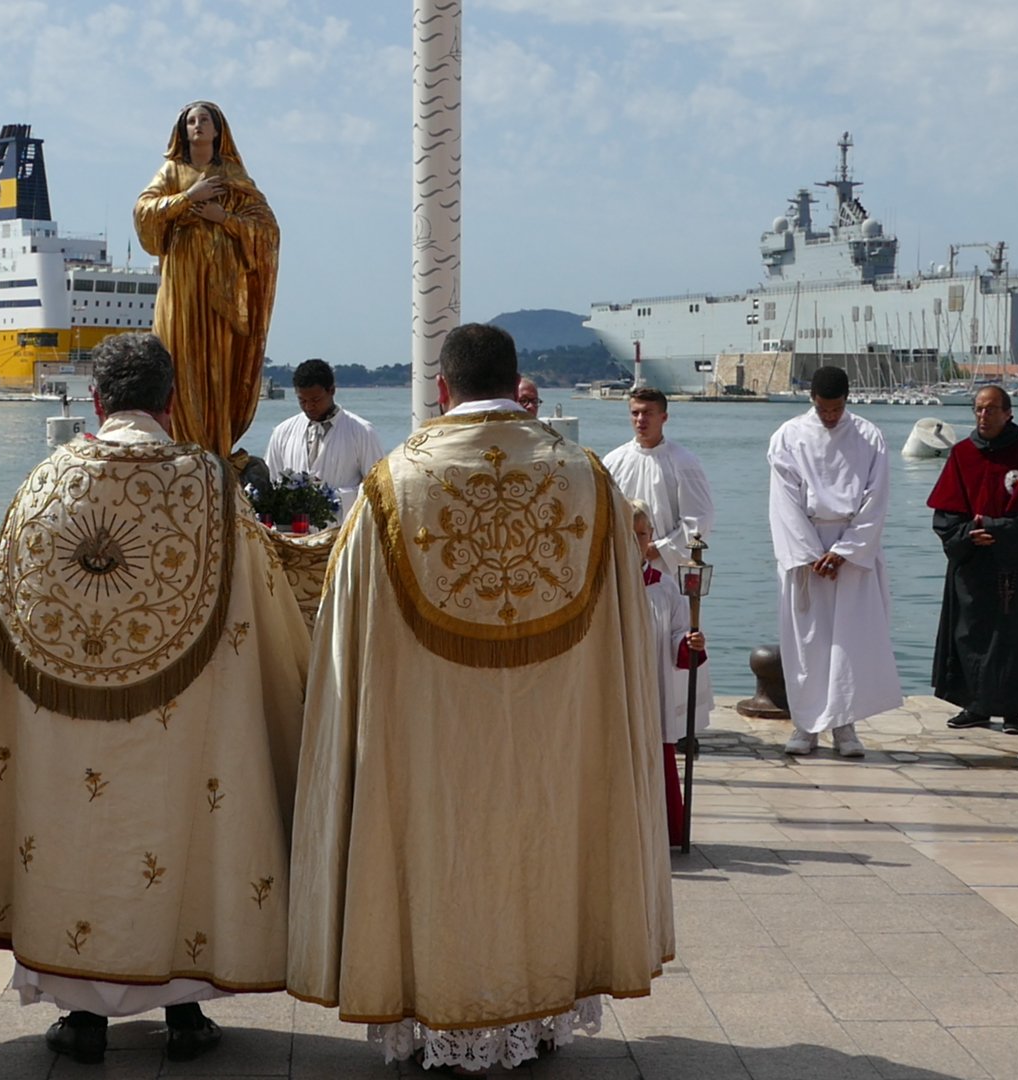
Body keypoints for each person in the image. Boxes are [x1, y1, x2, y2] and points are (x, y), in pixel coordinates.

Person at [289, 323, 672, 1073]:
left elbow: (345, 630)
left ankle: (427, 1005)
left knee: (438, 850)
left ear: (443, 389)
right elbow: (626, 631)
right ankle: (542, 1005)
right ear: (514, 380)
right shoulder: (588, 479)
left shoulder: (392, 484)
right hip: (554, 736)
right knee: (543, 844)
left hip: (426, 739)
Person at [0, 332, 308, 1066]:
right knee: (183, 829)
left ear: (95, 400)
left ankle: (83, 1017)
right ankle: (183, 1011)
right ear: (171, 401)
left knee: (77, 834)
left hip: (61, 727)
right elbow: (265, 601)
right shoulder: (209, 487)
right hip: (187, 724)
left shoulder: (41, 485)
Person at [766, 366, 904, 757]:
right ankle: (805, 724)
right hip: (806, 548)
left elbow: (876, 498)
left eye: (836, 409)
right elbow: (784, 501)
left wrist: (845, 551)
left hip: (852, 547)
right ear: (812, 400)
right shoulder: (788, 436)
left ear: (847, 401)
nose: (830, 416)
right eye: (824, 408)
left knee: (850, 640)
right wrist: (811, 553)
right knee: (807, 641)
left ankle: (845, 726)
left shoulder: (868, 436)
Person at [134, 101, 280, 456]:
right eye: (191, 121)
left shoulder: (232, 175)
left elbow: (267, 230)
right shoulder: (171, 172)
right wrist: (187, 198)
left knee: (216, 362)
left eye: (204, 120)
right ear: (182, 130)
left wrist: (223, 218)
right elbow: (143, 212)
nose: (197, 125)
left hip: (221, 287)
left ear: (217, 130)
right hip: (181, 281)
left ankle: (215, 449)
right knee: (179, 356)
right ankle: (180, 443)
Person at [929, 386, 1018, 734]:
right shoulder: (962, 454)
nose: (983, 416)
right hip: (971, 566)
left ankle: (1012, 711)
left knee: (1013, 637)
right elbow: (946, 518)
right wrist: (968, 535)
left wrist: (993, 529)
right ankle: (974, 705)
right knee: (969, 635)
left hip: (1014, 565)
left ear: (1008, 413)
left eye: (991, 409)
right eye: (978, 409)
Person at [632, 499, 706, 848]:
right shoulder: (605, 587)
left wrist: (689, 643)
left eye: (641, 534)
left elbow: (677, 632)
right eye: (628, 534)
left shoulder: (663, 586)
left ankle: (663, 828)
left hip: (653, 686)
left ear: (651, 538)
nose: (635, 541)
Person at [603, 387, 717, 583]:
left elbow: (699, 519)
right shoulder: (613, 461)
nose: (640, 419)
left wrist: (660, 549)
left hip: (666, 571)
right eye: (635, 413)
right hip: (621, 566)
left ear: (664, 417)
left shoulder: (684, 462)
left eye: (648, 413)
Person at [263, 358, 384, 517]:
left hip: (344, 529)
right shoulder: (282, 432)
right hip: (293, 529)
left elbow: (378, 490)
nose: (309, 407)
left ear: (332, 390)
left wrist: (338, 497)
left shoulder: (362, 432)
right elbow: (271, 484)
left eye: (315, 400)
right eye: (302, 400)